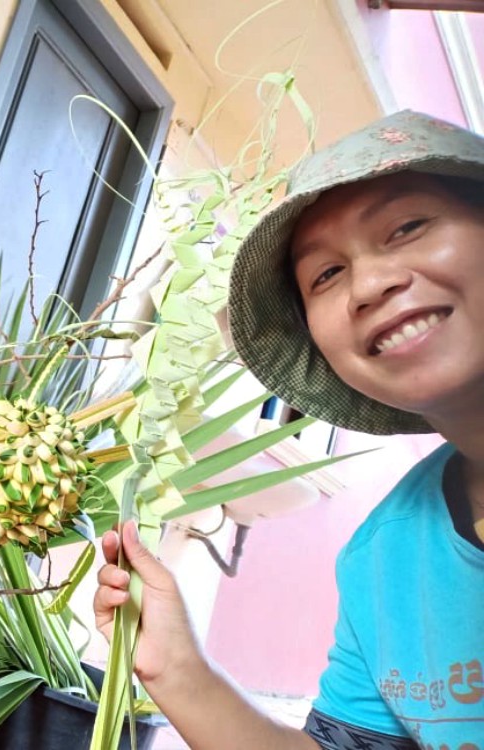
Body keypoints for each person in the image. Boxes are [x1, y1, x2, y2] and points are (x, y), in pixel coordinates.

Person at [93, 110, 484, 749]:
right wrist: (179, 671)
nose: (368, 284)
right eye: (325, 275)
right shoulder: (388, 559)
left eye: (407, 226)